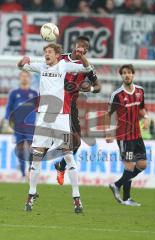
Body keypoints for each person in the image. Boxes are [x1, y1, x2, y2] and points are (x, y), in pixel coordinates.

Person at [17, 43, 93, 213]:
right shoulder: (41, 66)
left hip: (61, 117)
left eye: (50, 52)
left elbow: (88, 68)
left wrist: (81, 57)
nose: (46, 54)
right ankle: (31, 194)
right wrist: (23, 61)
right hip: (43, 117)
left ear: (58, 55)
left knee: (68, 156)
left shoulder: (64, 65)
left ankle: (77, 198)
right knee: (36, 156)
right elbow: (21, 66)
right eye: (45, 52)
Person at [55, 36, 101, 185]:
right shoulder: (60, 58)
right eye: (79, 45)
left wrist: (90, 88)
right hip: (54, 103)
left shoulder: (86, 66)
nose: (80, 48)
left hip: (71, 106)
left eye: (84, 47)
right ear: (74, 45)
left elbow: (98, 86)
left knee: (77, 142)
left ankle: (61, 166)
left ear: (86, 50)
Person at [106, 64, 149, 206]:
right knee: (129, 166)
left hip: (137, 135)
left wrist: (146, 117)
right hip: (124, 137)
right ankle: (127, 198)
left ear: (133, 74)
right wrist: (108, 132)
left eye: (129, 72)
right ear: (121, 76)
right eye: (124, 73)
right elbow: (108, 114)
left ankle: (117, 185)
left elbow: (141, 109)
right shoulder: (117, 94)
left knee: (142, 164)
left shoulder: (140, 91)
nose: (127, 75)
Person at [3, 70, 38, 180]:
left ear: (29, 78)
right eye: (22, 76)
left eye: (26, 76)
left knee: (32, 149)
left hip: (30, 126)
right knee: (21, 149)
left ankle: (31, 172)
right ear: (19, 78)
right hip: (18, 126)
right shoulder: (14, 93)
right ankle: (23, 175)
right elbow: (9, 108)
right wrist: (8, 120)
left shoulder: (34, 93)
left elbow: (39, 109)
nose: (24, 78)